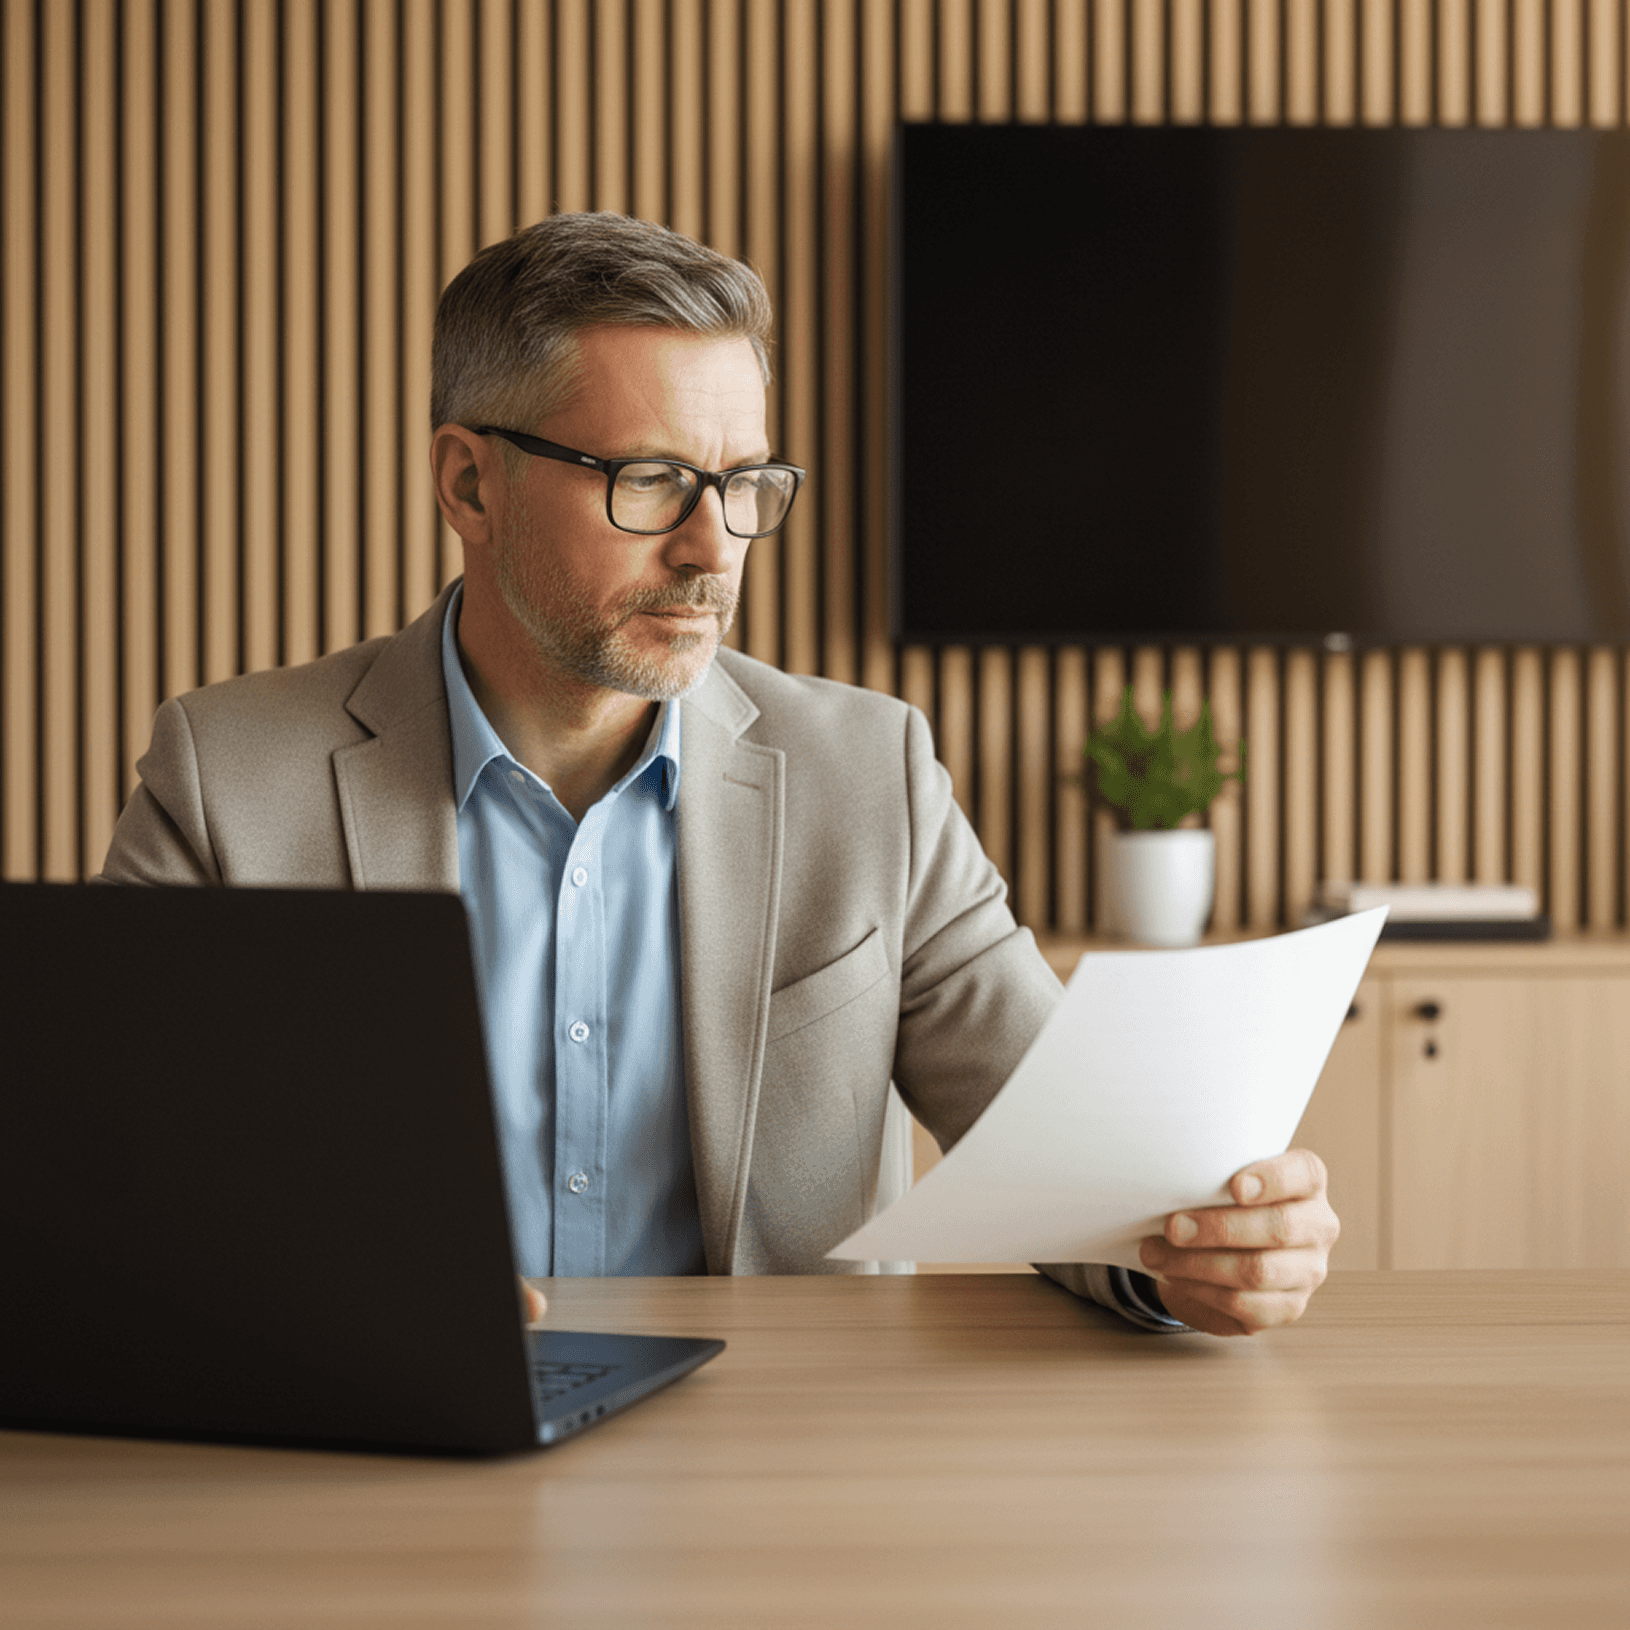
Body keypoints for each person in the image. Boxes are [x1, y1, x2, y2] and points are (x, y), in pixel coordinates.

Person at [100, 212, 1338, 1339]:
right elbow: (112, 1187)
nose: (713, 549)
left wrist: (1194, 1247)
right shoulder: (229, 780)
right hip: (383, 1453)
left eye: (744, 485)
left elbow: (1079, 1167)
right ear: (469, 483)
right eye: (650, 482)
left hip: (771, 1472)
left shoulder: (870, 772)